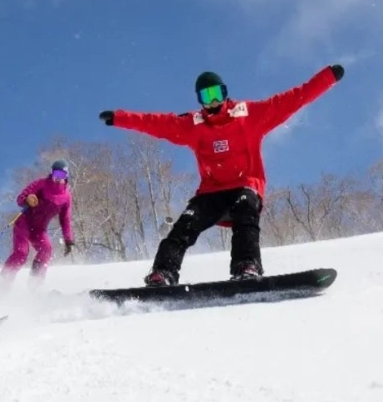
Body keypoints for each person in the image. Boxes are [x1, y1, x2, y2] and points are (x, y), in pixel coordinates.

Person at [98, 64, 345, 286]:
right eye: (207, 96)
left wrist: (327, 78)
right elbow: (156, 123)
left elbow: (292, 99)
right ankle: (163, 272)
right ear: (200, 101)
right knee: (185, 225)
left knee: (246, 211)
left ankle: (246, 266)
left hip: (245, 186)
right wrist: (120, 118)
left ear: (225, 93)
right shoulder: (192, 125)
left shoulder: (249, 115)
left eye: (217, 93)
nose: (213, 101)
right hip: (211, 192)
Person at [0, 160, 75, 288]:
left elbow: (65, 219)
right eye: (56, 174)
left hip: (39, 230)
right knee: (21, 253)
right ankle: (3, 282)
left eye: (62, 175)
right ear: (51, 173)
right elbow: (20, 199)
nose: (58, 178)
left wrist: (68, 240)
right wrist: (27, 199)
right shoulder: (41, 184)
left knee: (46, 249)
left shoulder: (66, 197)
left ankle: (35, 284)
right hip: (24, 223)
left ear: (66, 177)